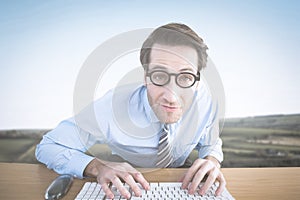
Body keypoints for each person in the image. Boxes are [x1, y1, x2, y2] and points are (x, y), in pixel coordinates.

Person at [36, 22, 226, 199]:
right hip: (124, 185)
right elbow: (48, 147)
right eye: (159, 76)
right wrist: (97, 166)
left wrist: (212, 160)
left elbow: (211, 143)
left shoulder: (206, 105)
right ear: (145, 77)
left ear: (198, 82)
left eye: (185, 78)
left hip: (179, 184)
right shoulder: (112, 106)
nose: (172, 96)